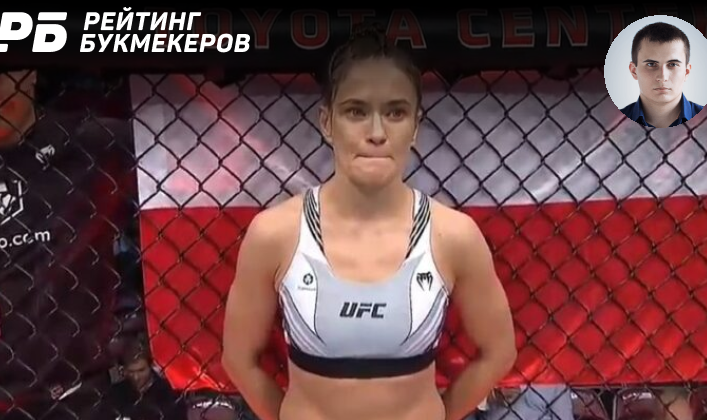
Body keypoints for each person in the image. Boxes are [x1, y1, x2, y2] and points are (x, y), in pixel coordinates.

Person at [221, 25, 517, 420]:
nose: (376, 133)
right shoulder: (275, 234)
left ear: (415, 127)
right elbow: (238, 359)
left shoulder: (454, 236)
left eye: (395, 113)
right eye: (356, 111)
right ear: (327, 122)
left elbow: (499, 351)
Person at [0, 68, 135, 419]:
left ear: (29, 72)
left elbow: (170, 227)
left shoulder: (94, 145)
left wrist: (137, 329)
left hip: (75, 396)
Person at [619, 22, 704, 128]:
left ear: (686, 72)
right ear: (634, 71)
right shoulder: (617, 122)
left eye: (673, 64)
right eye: (651, 64)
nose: (663, 77)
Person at [109, 337, 187, 420]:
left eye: (141, 370)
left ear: (151, 366)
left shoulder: (170, 393)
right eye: (131, 372)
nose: (136, 377)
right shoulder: (115, 393)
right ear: (123, 370)